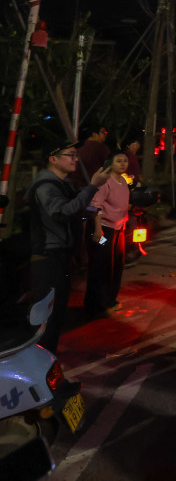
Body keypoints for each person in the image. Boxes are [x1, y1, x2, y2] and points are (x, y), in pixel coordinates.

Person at [28, 138, 111, 353]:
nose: (75, 159)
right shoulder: (45, 186)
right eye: (70, 155)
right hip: (48, 257)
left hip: (62, 255)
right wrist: (93, 186)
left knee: (58, 315)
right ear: (53, 159)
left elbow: (74, 210)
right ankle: (42, 369)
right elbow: (62, 212)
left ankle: (49, 365)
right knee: (48, 318)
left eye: (76, 154)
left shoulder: (64, 183)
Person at [84, 149, 131, 316]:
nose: (123, 163)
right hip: (104, 231)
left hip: (118, 230)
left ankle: (111, 300)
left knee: (117, 265)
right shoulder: (105, 181)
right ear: (110, 163)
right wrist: (97, 229)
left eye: (125, 160)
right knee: (102, 266)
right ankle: (98, 305)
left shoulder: (123, 181)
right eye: (119, 160)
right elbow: (94, 206)